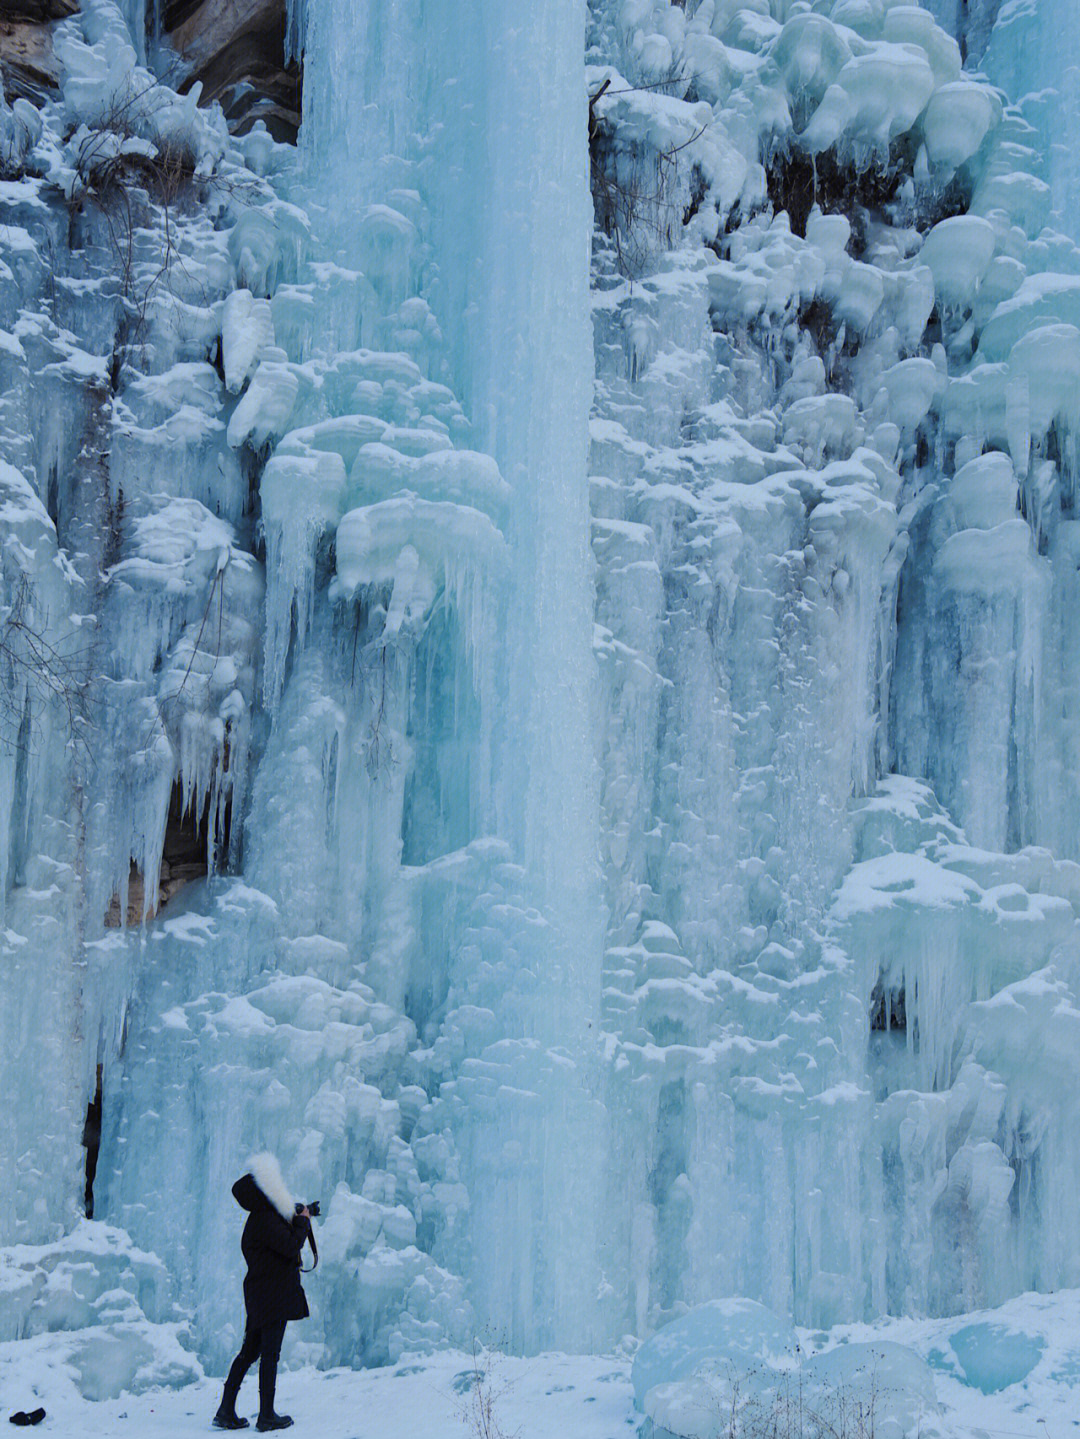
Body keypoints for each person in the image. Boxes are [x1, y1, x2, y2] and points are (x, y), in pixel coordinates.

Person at [214, 1153, 312, 1432]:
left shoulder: (259, 1219)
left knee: (250, 1351)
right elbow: (292, 1246)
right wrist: (303, 1223)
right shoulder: (266, 1219)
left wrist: (299, 1215)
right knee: (270, 1354)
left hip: (261, 1294)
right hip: (273, 1295)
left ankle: (225, 1410)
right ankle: (266, 1415)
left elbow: (281, 1242)